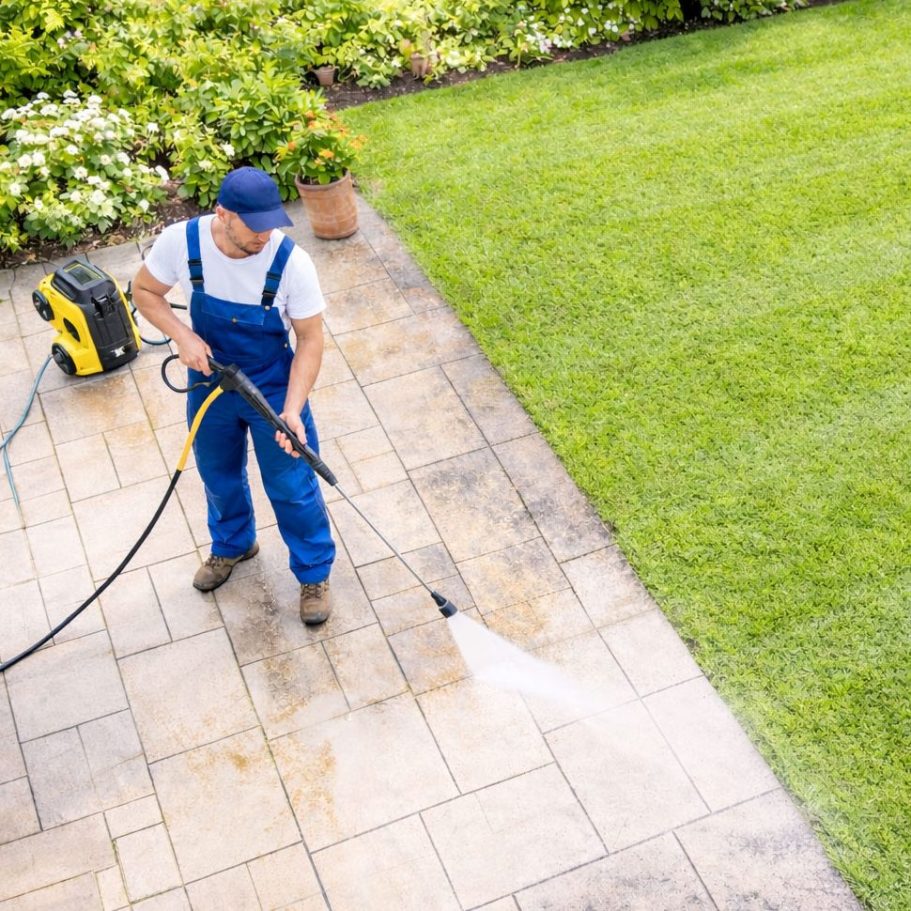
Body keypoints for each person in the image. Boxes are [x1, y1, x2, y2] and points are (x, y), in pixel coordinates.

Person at [132, 166, 335, 625]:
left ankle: (313, 573)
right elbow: (144, 291)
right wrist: (181, 335)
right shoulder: (182, 243)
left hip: (271, 383)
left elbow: (310, 340)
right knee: (217, 472)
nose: (266, 234)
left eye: (272, 223)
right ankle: (234, 544)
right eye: (255, 225)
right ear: (223, 214)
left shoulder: (291, 263)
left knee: (291, 486)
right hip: (210, 382)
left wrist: (293, 410)